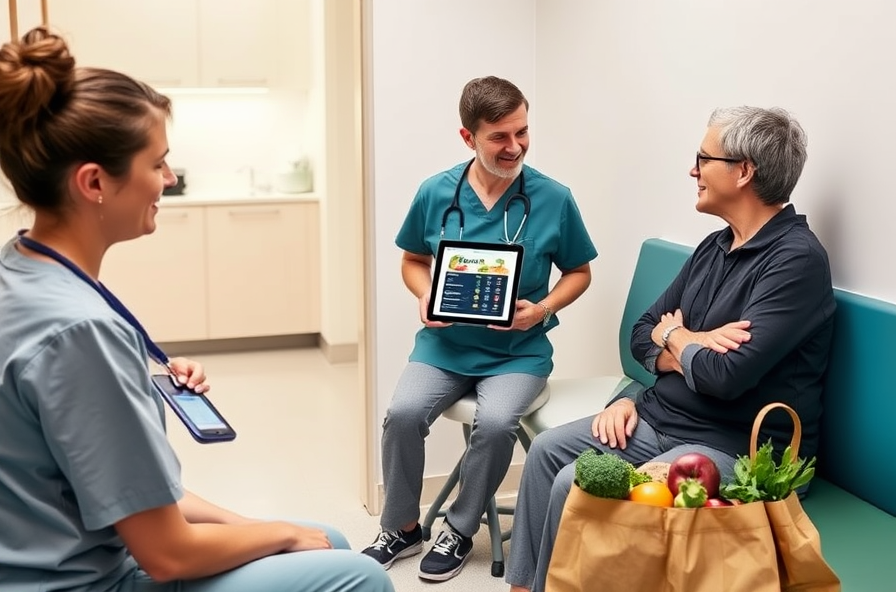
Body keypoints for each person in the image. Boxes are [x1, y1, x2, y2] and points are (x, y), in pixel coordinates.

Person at [0, 27, 393, 592]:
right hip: (87, 581)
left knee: (325, 536)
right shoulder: (80, 331)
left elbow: (111, 479)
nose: (170, 179)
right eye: (157, 163)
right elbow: (167, 555)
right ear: (94, 183)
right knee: (357, 575)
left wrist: (264, 529)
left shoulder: (23, 267)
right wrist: (277, 535)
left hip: (68, 542)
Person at [505, 106, 836, 592]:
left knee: (573, 482)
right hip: (661, 418)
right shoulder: (714, 246)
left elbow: (726, 377)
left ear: (743, 172)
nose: (692, 169)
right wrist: (647, 382)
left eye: (704, 158)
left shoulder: (797, 262)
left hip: (733, 445)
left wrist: (676, 335)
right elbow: (640, 333)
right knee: (548, 453)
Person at [360, 76, 597, 582]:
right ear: (468, 137)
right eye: (499, 137)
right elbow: (412, 260)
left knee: (494, 425)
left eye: (523, 132)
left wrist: (542, 309)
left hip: (518, 352)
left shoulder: (554, 198)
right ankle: (402, 526)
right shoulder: (435, 192)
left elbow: (580, 272)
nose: (515, 147)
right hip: (444, 346)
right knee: (401, 414)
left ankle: (460, 529)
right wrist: (423, 293)